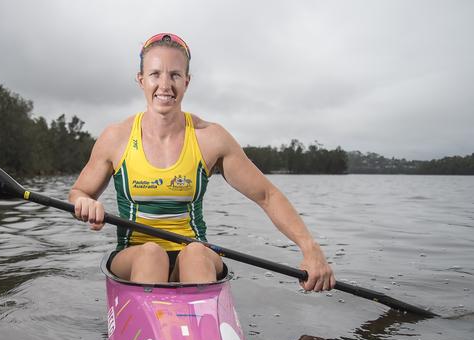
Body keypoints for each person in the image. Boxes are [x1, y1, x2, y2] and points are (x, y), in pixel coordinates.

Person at [68, 33, 335, 291]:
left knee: (196, 253)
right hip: (134, 256)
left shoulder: (210, 138)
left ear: (187, 81)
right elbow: (79, 192)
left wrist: (311, 250)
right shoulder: (116, 137)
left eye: (175, 74)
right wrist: (85, 202)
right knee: (152, 254)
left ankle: (201, 327)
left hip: (193, 256)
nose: (165, 85)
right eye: (155, 74)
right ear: (141, 80)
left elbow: (267, 195)